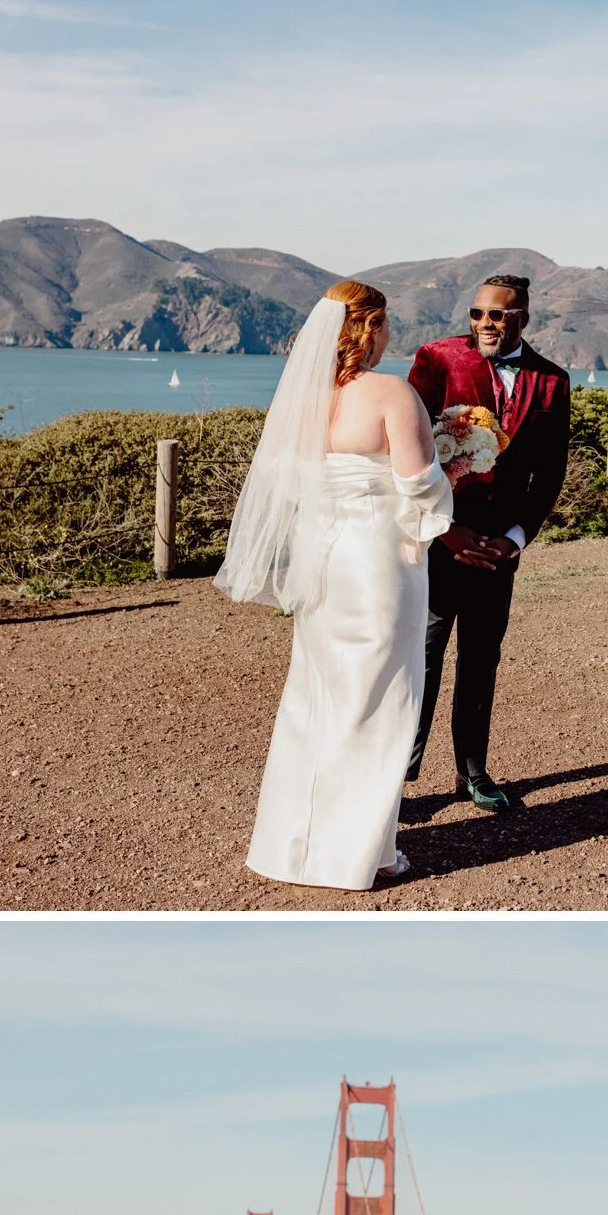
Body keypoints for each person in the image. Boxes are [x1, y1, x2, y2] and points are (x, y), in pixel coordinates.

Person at [216, 280, 454, 890]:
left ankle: (288, 847)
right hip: (379, 565)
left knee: (316, 701)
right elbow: (420, 488)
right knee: (377, 702)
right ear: (370, 328)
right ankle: (361, 854)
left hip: (324, 565)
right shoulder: (392, 394)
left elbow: (292, 484)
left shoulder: (304, 400)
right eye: (386, 323)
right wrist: (456, 464)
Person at [405, 274, 571, 813]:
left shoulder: (552, 382)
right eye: (477, 314)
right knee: (421, 658)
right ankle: (400, 778)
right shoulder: (436, 359)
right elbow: (407, 455)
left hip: (497, 549)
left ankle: (472, 772)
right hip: (438, 539)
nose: (484, 325)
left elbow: (548, 476)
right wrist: (444, 529)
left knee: (482, 659)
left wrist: (514, 540)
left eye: (497, 315)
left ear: (522, 316)